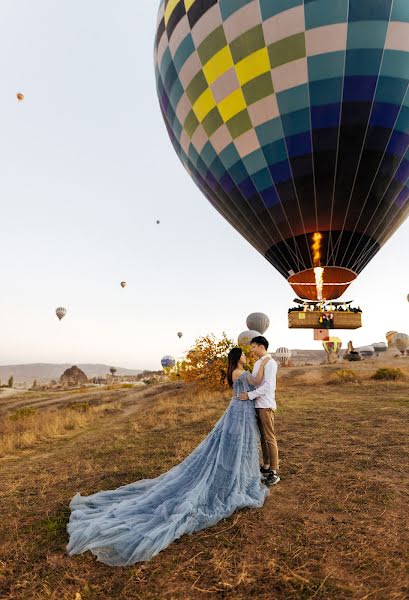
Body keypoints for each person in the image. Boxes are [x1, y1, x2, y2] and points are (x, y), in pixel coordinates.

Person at [66, 348, 268, 566]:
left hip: (240, 409)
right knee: (236, 444)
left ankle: (237, 471)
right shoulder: (240, 373)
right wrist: (265, 360)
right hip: (240, 410)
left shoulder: (235, 372)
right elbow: (257, 380)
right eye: (245, 356)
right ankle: (233, 474)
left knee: (238, 444)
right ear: (238, 358)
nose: (247, 358)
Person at [239, 336, 280, 487]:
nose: (252, 350)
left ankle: (275, 472)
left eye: (254, 347)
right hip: (257, 404)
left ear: (262, 346)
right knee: (262, 437)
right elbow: (255, 383)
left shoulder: (270, 363)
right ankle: (267, 466)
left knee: (269, 437)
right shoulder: (258, 363)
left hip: (266, 405)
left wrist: (249, 395)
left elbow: (268, 386)